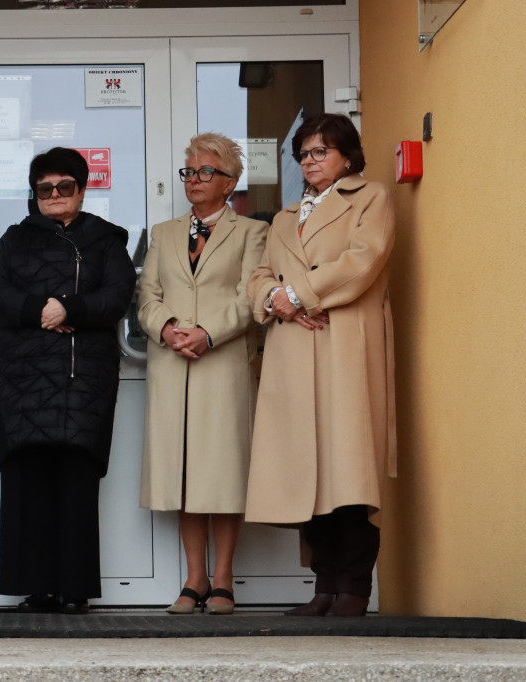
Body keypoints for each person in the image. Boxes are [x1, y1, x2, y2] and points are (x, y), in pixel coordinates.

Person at [245, 113, 396, 617]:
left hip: (342, 345)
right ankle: (325, 587)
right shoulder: (286, 216)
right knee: (305, 473)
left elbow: (363, 259)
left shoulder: (370, 197)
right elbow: (259, 276)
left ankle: (354, 589)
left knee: (348, 470)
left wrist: (296, 294)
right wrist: (273, 297)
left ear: (347, 155)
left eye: (320, 152)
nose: (310, 162)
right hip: (292, 351)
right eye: (304, 154)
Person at [0, 147, 136, 615]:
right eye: (44, 189)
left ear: (82, 190)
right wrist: (39, 310)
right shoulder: (15, 239)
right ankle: (36, 589)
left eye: (64, 187)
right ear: (35, 194)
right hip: (23, 377)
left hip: (83, 375)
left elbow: (118, 295)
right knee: (28, 481)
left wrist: (70, 308)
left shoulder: (107, 239)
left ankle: (74, 590)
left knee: (77, 480)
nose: (54, 195)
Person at [137, 134, 267, 615]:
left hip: (223, 363)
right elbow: (146, 293)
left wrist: (208, 333)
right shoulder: (164, 232)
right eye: (188, 172)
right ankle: (193, 579)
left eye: (205, 172)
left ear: (230, 181)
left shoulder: (253, 232)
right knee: (184, 473)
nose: (194, 180)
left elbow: (250, 296)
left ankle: (224, 578)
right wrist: (167, 327)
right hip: (172, 365)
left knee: (223, 470)